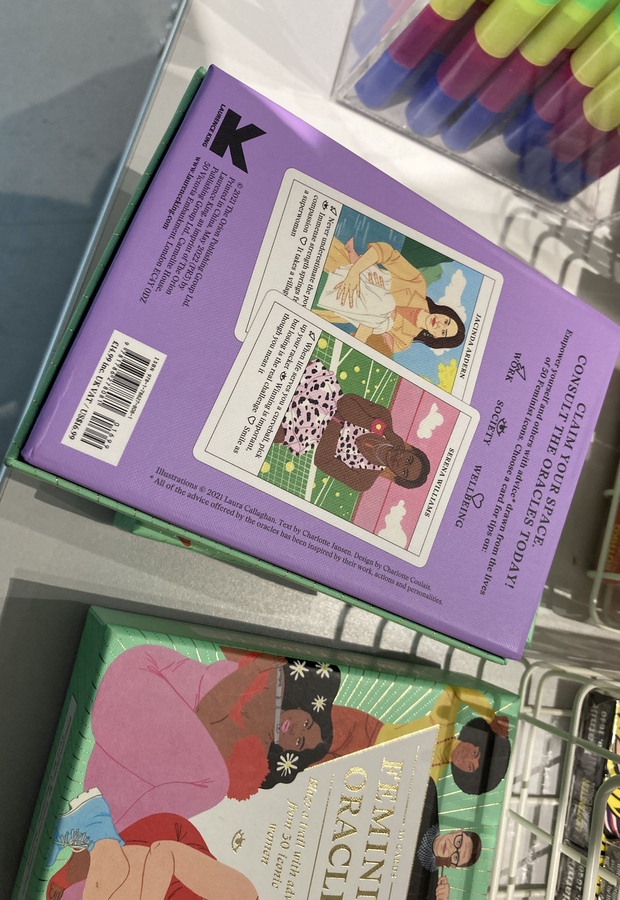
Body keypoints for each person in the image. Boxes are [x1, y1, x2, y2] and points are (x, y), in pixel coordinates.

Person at [83, 645, 340, 832]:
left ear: (288, 752)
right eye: (306, 723)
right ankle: (110, 838)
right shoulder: (270, 678)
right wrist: (254, 670)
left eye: (300, 742)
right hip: (135, 684)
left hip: (123, 737)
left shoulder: (255, 756)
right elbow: (206, 713)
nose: (297, 732)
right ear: (303, 709)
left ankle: (103, 836)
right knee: (214, 783)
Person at [46, 792, 258, 900]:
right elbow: (164, 852)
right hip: (170, 845)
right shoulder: (242, 895)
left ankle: (94, 827)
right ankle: (97, 828)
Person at [274, 359, 430, 493]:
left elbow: (323, 461)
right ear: (409, 450)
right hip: (322, 394)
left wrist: (338, 420)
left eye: (404, 472)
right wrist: (384, 430)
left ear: (397, 477)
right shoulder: (384, 418)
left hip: (308, 431)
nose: (401, 463)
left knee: (276, 431)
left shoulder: (363, 481)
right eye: (409, 460)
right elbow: (345, 402)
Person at [323, 685, 511, 795]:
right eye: (474, 753)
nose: (466, 758)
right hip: (361, 732)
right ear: (473, 741)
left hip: (355, 771)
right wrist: (490, 717)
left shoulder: (432, 780)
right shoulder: (443, 725)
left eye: (470, 766)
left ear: (465, 774)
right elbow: (455, 690)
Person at [316, 238, 466, 358]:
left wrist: (375, 307)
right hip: (336, 261)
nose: (440, 325)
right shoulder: (417, 284)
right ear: (444, 312)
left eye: (443, 332)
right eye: (446, 321)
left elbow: (361, 341)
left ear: (436, 338)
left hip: (331, 306)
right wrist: (354, 274)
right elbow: (385, 252)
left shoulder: (402, 342)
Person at [408, 778, 482, 900]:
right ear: (458, 831)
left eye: (456, 857)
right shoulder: (430, 797)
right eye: (458, 842)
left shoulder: (429, 889)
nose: (452, 849)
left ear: (452, 865)